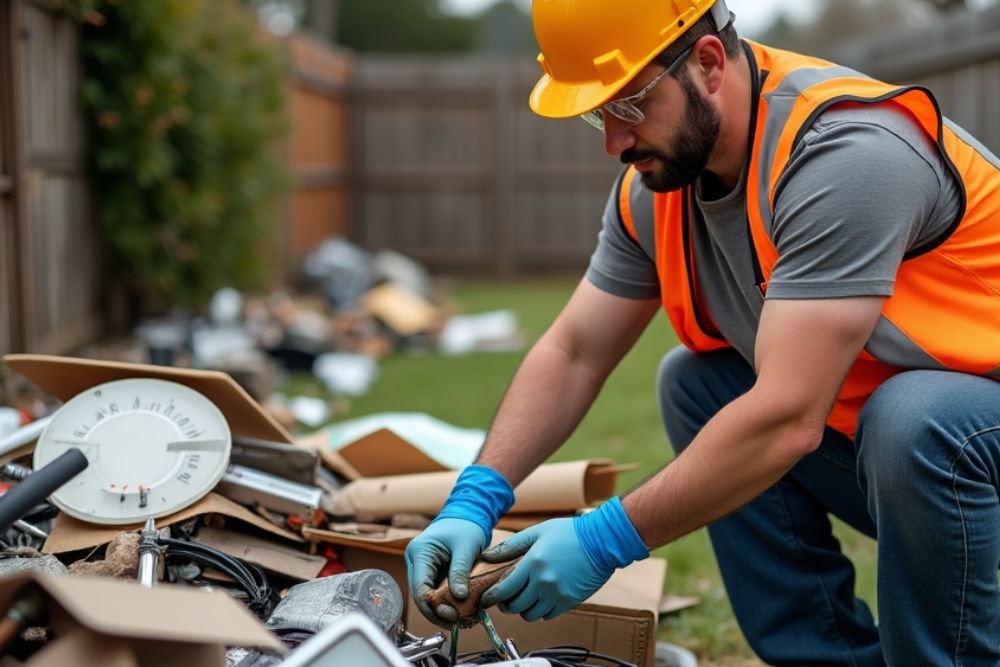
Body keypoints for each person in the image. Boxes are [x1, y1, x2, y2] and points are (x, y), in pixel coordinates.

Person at [405, 0, 1000, 664]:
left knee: (913, 418)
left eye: (628, 105)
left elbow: (786, 417)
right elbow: (574, 353)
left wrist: (606, 538)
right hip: (918, 461)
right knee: (697, 382)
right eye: (596, 114)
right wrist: (475, 496)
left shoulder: (846, 154)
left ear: (709, 63)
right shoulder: (655, 189)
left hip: (959, 441)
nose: (614, 141)